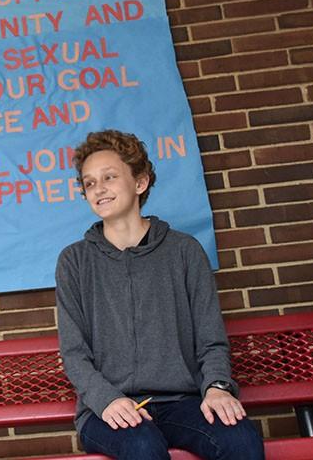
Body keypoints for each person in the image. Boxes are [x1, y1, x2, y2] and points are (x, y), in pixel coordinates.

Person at [55, 130, 264, 460]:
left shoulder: (184, 251)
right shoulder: (75, 261)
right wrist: (106, 399)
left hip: (182, 403)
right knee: (143, 446)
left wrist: (217, 387)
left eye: (109, 177)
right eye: (90, 182)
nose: (99, 188)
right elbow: (74, 353)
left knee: (240, 438)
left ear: (140, 183)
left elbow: (211, 339)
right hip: (109, 409)